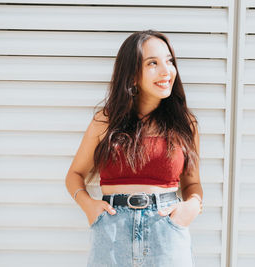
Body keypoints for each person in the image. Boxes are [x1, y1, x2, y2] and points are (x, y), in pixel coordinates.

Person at [65, 29, 203, 267]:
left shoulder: (185, 124)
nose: (165, 71)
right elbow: (74, 175)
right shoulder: (105, 121)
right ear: (132, 75)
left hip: (167, 231)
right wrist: (89, 206)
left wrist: (192, 206)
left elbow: (193, 183)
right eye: (153, 63)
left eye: (169, 61)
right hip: (112, 233)